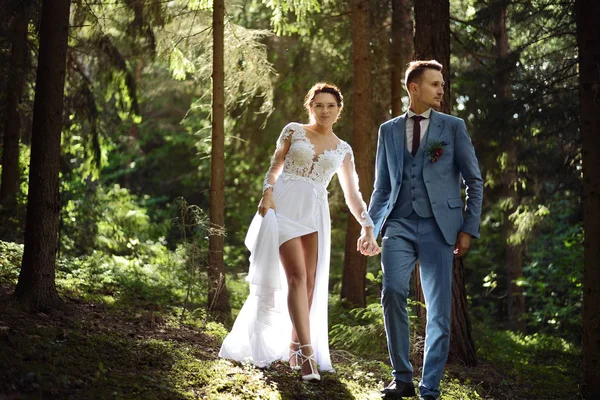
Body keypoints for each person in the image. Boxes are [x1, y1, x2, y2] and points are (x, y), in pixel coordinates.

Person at [219, 82, 377, 381]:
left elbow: (352, 195)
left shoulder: (343, 149)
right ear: (310, 107)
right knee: (296, 276)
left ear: (339, 110)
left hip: (315, 213)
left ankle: (293, 346)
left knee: (309, 286)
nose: (325, 110)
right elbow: (275, 165)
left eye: (331, 105)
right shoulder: (293, 130)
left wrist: (367, 226)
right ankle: (307, 355)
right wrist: (267, 193)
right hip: (285, 206)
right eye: (319, 105)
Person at [357, 60, 483, 400]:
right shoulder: (389, 130)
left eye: (442, 84)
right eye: (434, 84)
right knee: (393, 292)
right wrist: (370, 226)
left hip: (440, 227)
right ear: (414, 88)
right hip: (397, 224)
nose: (441, 90)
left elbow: (474, 180)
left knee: (439, 311)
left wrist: (469, 228)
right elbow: (382, 187)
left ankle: (430, 387)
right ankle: (402, 379)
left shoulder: (453, 127)